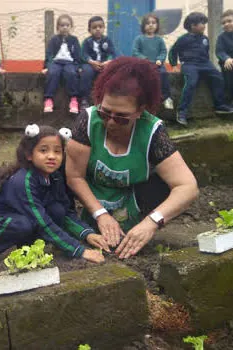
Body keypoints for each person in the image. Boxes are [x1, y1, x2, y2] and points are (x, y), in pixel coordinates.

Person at [66, 57, 199, 259]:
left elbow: (188, 186)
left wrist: (151, 222)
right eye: (105, 112)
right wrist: (100, 214)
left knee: (163, 184)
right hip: (93, 200)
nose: (110, 122)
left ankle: (134, 228)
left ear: (140, 110)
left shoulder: (152, 131)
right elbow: (74, 176)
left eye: (121, 117)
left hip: (133, 201)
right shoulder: (88, 121)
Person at [0, 124, 107, 263]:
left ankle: (28, 249)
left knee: (57, 210)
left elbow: (66, 213)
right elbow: (41, 222)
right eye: (43, 151)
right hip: (0, 225)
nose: (51, 156)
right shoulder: (24, 181)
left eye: (57, 151)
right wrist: (79, 250)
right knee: (23, 224)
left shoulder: (55, 177)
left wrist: (87, 234)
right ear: (29, 155)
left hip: (29, 218)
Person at [168, 12, 233, 126]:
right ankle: (182, 111)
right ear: (193, 26)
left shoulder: (205, 39)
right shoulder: (183, 39)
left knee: (218, 77)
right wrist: (173, 65)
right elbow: (173, 51)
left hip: (204, 63)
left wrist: (208, 68)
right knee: (191, 81)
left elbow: (205, 53)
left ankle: (220, 105)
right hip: (189, 64)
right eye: (202, 23)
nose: (204, 25)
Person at [132, 13, 174, 110]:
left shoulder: (159, 40)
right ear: (143, 26)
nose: (151, 25)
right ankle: (140, 98)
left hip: (157, 64)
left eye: (153, 23)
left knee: (163, 73)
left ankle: (166, 97)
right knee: (141, 77)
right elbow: (135, 52)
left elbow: (163, 51)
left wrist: (160, 59)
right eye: (148, 23)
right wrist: (144, 59)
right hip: (143, 65)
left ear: (157, 25)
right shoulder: (139, 39)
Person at [42, 14, 83, 114]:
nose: (65, 27)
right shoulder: (54, 40)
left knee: (71, 73)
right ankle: (48, 99)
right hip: (56, 62)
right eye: (62, 25)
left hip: (70, 63)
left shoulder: (74, 40)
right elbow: (49, 54)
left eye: (67, 25)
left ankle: (73, 99)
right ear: (57, 27)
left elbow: (78, 55)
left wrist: (78, 67)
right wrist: (47, 66)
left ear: (71, 27)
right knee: (52, 73)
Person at [80, 16, 118, 108]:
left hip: (104, 64)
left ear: (104, 28)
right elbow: (83, 54)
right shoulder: (87, 41)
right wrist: (91, 62)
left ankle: (106, 98)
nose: (98, 29)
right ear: (89, 30)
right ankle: (84, 98)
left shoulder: (107, 40)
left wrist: (108, 62)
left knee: (110, 72)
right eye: (94, 27)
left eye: (100, 27)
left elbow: (112, 53)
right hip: (90, 65)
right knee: (86, 72)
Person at [216, 9, 233, 102]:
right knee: (228, 70)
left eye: (229, 21)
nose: (226, 24)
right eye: (223, 23)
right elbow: (219, 51)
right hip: (228, 64)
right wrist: (226, 58)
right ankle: (229, 99)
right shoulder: (221, 37)